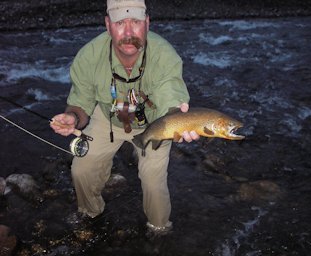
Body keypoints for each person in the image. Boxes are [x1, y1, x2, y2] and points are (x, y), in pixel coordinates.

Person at [50, 0, 199, 234]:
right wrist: (72, 118)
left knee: (152, 179)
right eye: (120, 23)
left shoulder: (165, 56)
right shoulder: (88, 57)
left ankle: (159, 230)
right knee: (81, 169)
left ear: (147, 23)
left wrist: (180, 123)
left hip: (154, 121)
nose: (129, 32)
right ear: (108, 25)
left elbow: (171, 100)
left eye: (136, 22)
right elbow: (80, 105)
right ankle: (90, 215)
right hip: (106, 116)